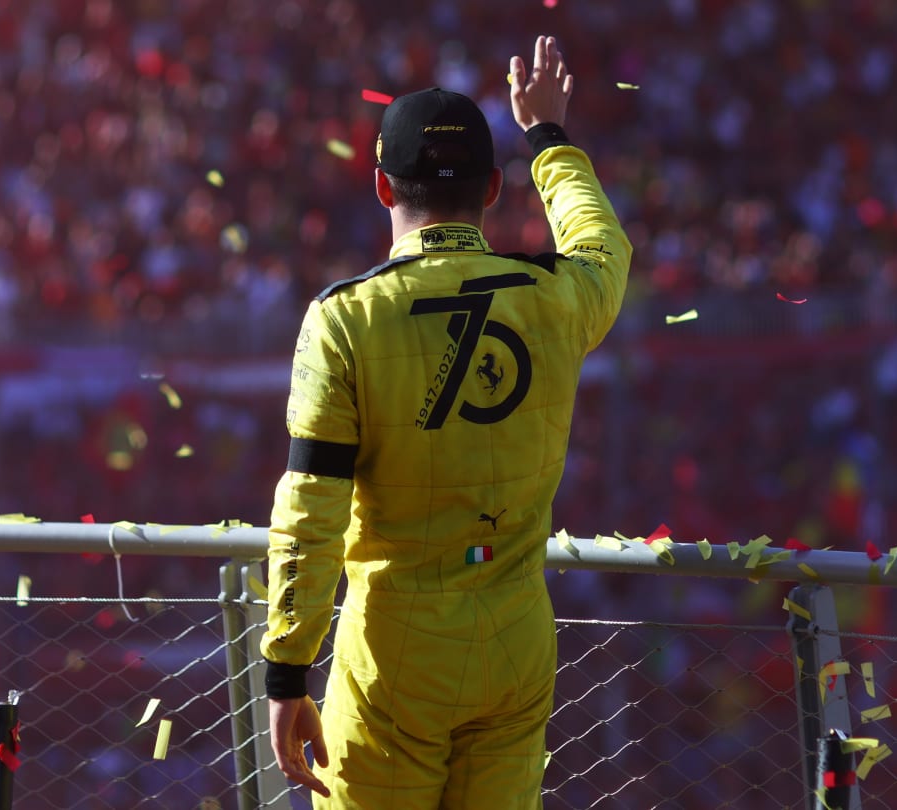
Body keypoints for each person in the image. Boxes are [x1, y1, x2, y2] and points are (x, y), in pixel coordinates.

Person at [259, 35, 632, 808]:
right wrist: (550, 137)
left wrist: (288, 668)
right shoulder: (555, 297)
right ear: (494, 188)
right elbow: (603, 245)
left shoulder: (345, 320)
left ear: (382, 189)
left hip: (393, 658)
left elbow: (311, 510)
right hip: (516, 646)